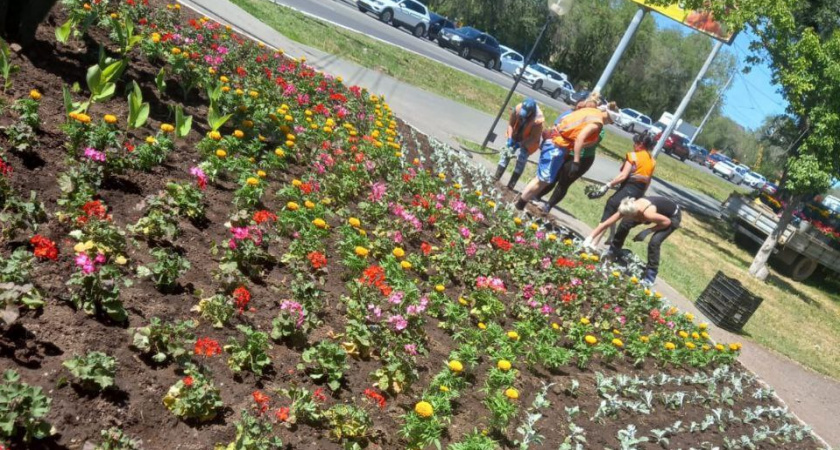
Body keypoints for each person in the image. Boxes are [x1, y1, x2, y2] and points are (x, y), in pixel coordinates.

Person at [514, 101, 618, 211]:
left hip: (557, 141)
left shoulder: (591, 112)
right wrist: (576, 161)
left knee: (545, 179)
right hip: (557, 145)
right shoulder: (597, 122)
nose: (609, 124)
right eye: (611, 121)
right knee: (542, 179)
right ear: (608, 116)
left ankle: (521, 204)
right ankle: (519, 205)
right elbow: (580, 139)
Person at [584, 196, 682, 285]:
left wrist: (647, 231)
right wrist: (590, 238)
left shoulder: (648, 214)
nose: (624, 217)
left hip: (672, 217)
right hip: (653, 211)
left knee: (654, 242)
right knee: (624, 224)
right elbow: (606, 223)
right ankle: (612, 252)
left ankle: (650, 277)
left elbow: (666, 222)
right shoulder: (628, 206)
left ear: (635, 214)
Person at [591, 132, 657, 223]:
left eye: (635, 142)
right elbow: (648, 181)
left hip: (628, 188)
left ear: (640, 144)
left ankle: (596, 234)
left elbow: (623, 175)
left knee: (611, 205)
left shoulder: (633, 156)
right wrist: (642, 194)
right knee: (619, 214)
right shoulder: (652, 161)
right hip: (639, 192)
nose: (633, 145)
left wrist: (607, 185)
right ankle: (610, 235)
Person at [493, 98, 545, 189]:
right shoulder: (517, 109)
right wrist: (510, 138)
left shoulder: (538, 121)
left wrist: (520, 144)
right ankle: (496, 177)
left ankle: (510, 186)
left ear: (531, 113)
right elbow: (511, 124)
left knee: (521, 159)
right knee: (506, 154)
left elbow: (534, 138)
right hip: (516, 134)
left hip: (529, 141)